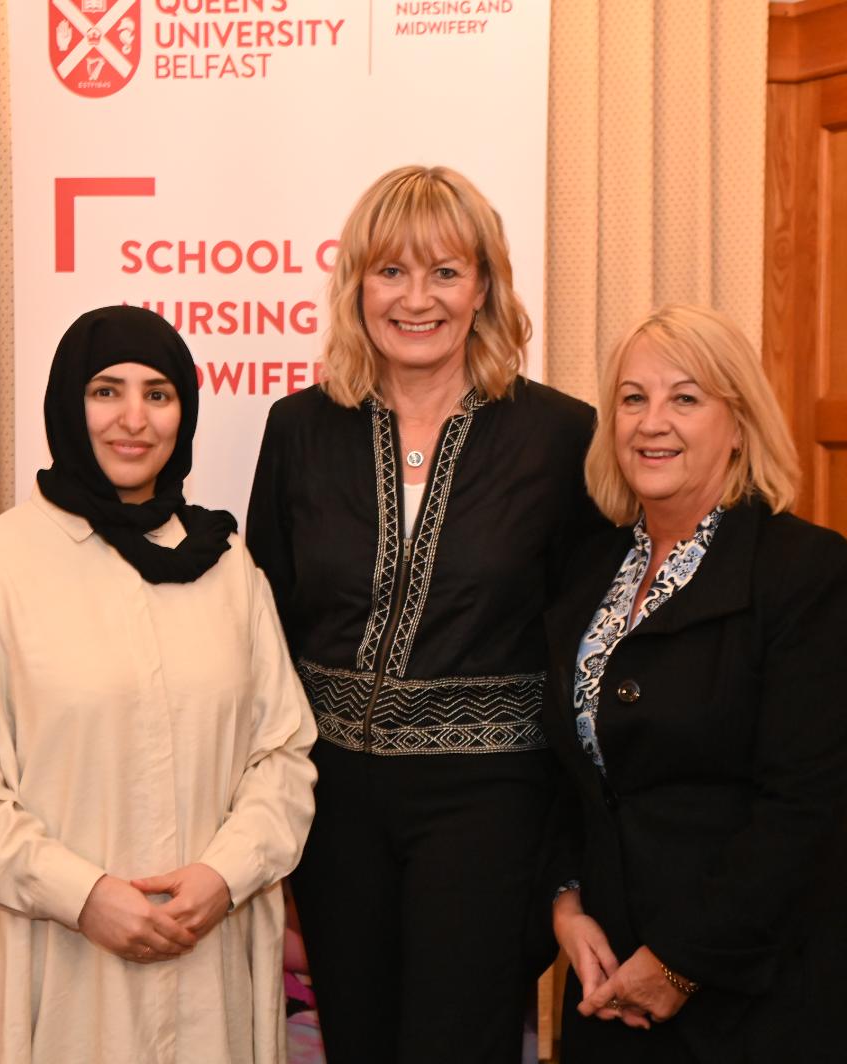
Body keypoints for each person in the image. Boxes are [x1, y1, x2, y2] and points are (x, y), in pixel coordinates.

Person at [246, 165, 607, 1063]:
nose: (416, 299)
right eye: (391, 272)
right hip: (331, 807)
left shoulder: (560, 436)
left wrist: (571, 853)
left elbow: (586, 650)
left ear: (483, 287)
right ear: (355, 285)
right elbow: (265, 630)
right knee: (357, 1043)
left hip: (490, 808)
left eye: (445, 272)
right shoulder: (298, 429)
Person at [0, 305, 318, 1064]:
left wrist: (225, 875)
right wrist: (83, 896)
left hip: (209, 961)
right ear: (67, 403)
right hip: (58, 964)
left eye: (158, 394)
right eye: (105, 391)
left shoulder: (227, 569)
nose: (134, 419)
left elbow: (283, 753)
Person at [541, 305, 847, 1062]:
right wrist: (565, 905)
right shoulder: (587, 571)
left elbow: (804, 807)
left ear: (738, 424)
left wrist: (679, 962)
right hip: (611, 982)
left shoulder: (805, 572)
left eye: (685, 397)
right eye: (632, 399)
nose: (651, 423)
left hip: (765, 992)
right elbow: (564, 772)